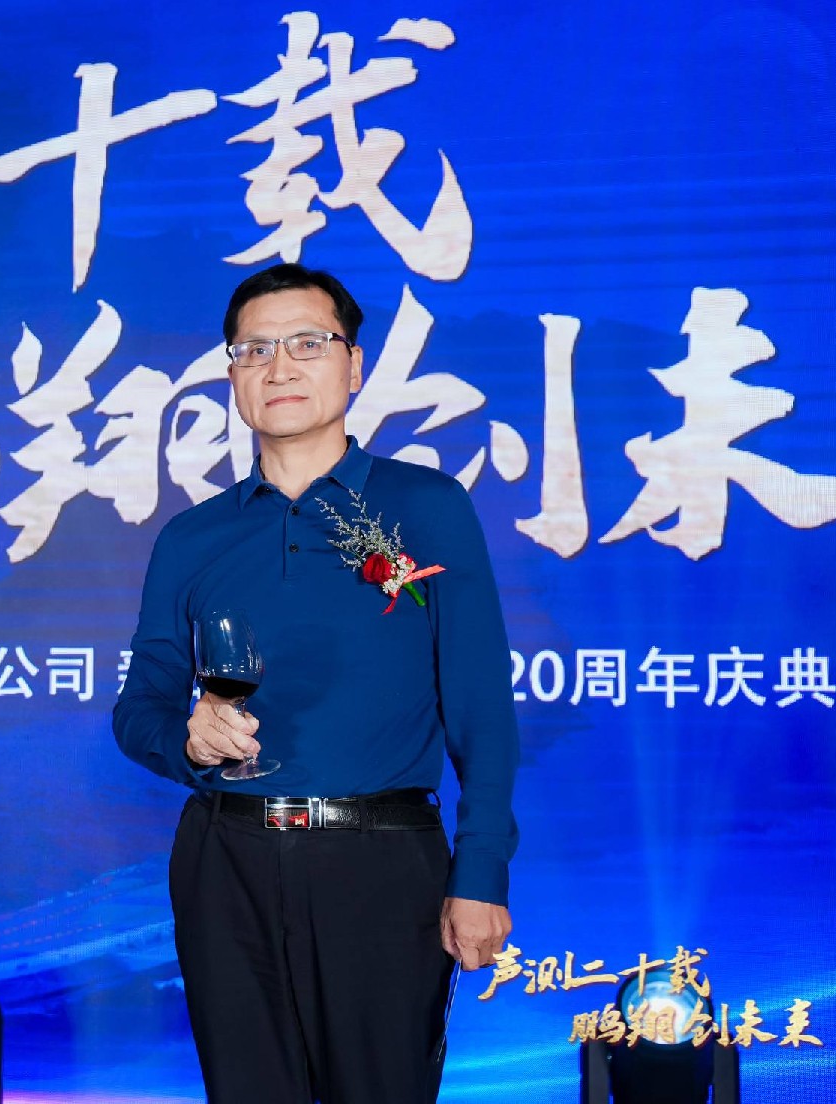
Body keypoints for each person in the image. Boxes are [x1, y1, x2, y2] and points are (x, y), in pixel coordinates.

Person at [112, 264, 518, 1104]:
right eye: (254, 350)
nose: (279, 368)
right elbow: (140, 705)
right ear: (232, 375)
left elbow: (481, 706)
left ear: (354, 364)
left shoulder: (427, 507)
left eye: (307, 343)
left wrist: (479, 871)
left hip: (382, 860)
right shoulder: (192, 537)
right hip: (226, 861)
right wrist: (188, 739)